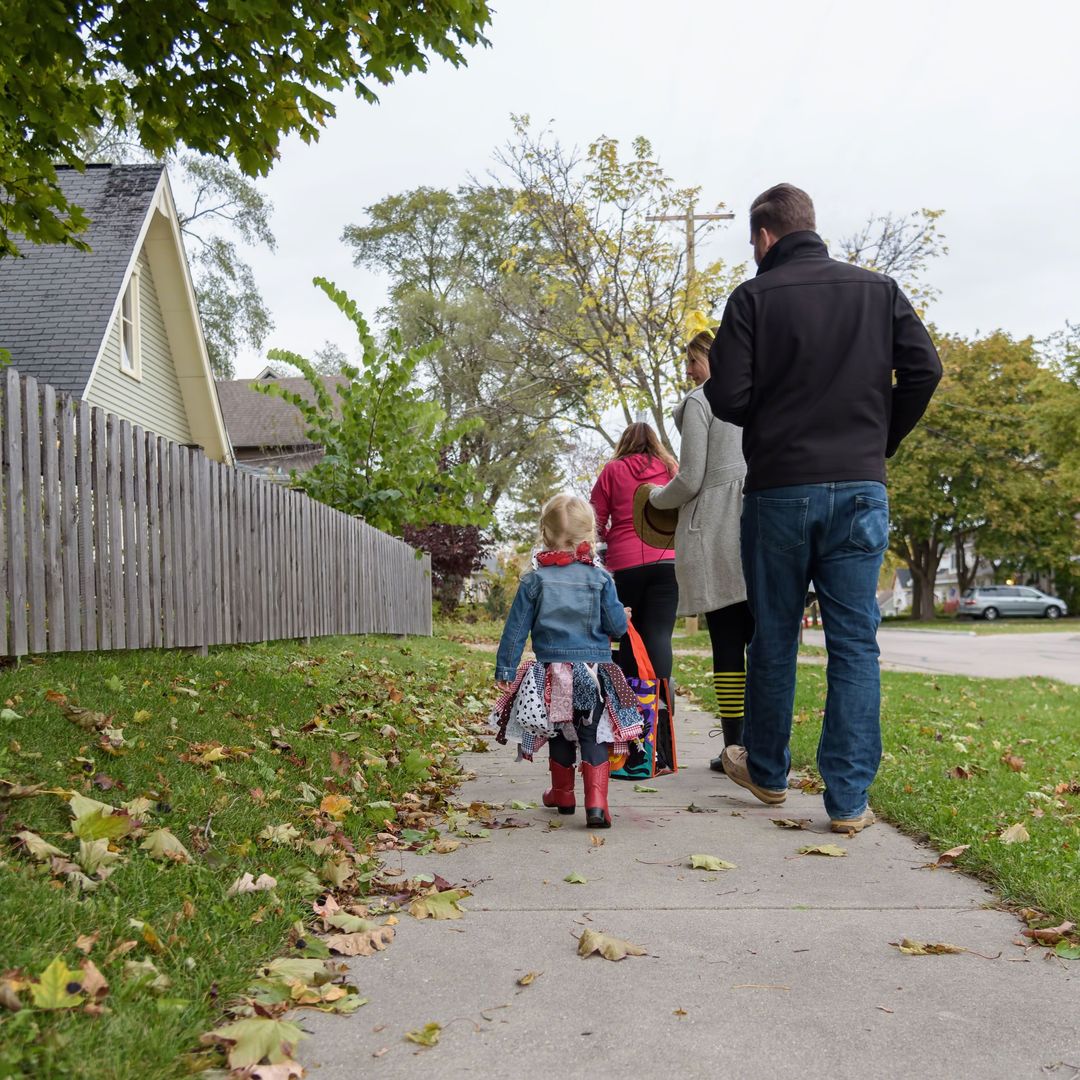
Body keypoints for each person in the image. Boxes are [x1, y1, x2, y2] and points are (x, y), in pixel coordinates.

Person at [705, 183, 941, 834]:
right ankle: (846, 802)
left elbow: (725, 396)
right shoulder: (879, 290)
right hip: (860, 487)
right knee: (855, 644)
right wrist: (879, 439)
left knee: (775, 634)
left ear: (763, 237)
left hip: (780, 488)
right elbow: (925, 370)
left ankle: (772, 774)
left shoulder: (752, 299)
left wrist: (776, 416)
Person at [490, 494, 645, 828]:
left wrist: (505, 669)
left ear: (545, 535)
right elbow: (616, 627)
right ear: (589, 537)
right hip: (593, 672)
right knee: (592, 734)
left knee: (560, 731)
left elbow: (516, 629)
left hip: (551, 672)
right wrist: (623, 615)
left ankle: (562, 794)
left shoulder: (533, 580)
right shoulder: (601, 578)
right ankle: (597, 803)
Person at [648, 326, 753, 772]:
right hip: (763, 516)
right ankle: (768, 745)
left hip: (718, 527)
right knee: (765, 643)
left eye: (692, 361)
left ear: (710, 358)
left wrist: (653, 500)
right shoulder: (758, 391)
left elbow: (690, 477)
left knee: (727, 643)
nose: (688, 372)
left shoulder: (701, 400)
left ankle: (735, 748)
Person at [590, 423, 679, 769]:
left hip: (624, 563)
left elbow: (595, 517)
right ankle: (661, 708)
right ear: (654, 443)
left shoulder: (612, 470)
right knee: (658, 634)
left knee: (628, 633)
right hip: (666, 559)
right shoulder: (670, 468)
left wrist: (614, 534)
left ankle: (628, 713)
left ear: (624, 443)